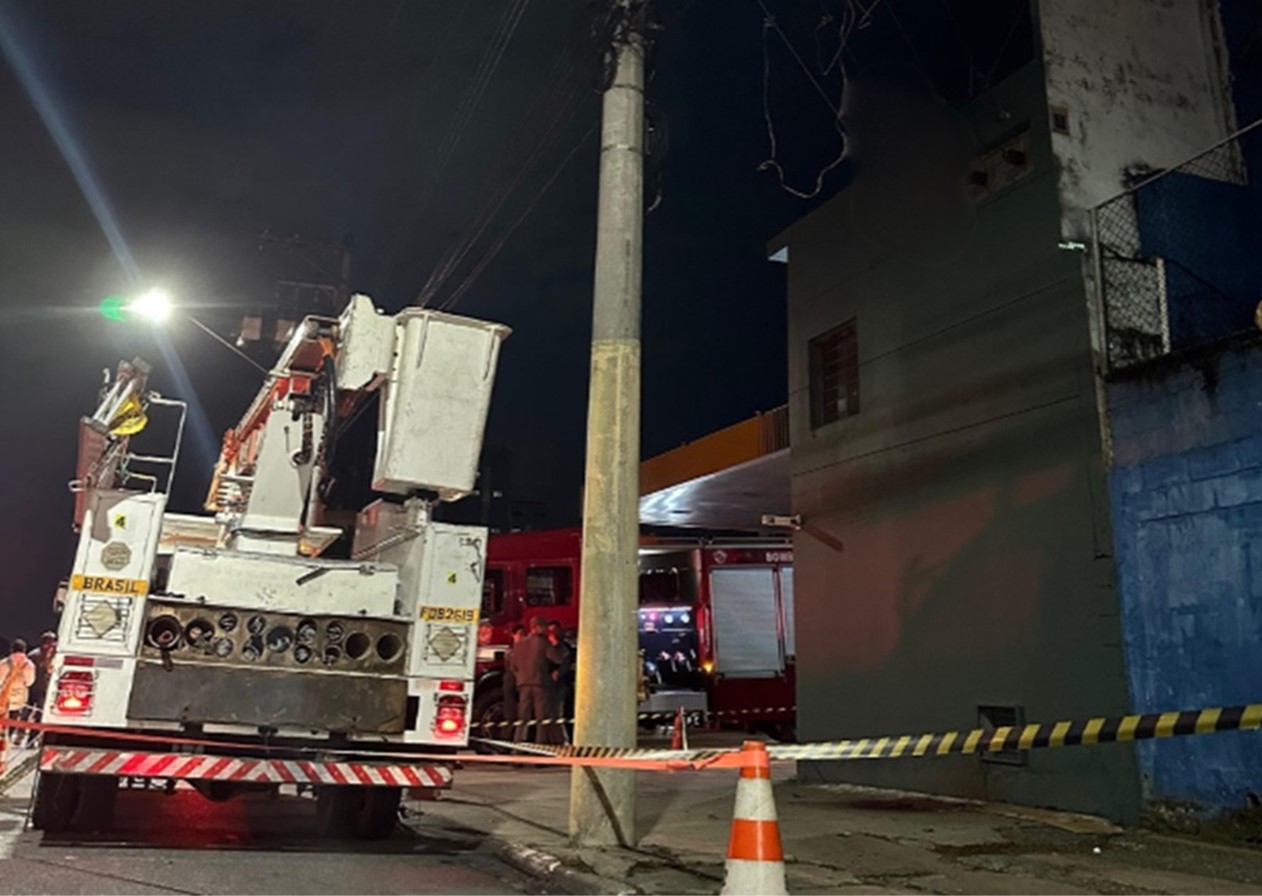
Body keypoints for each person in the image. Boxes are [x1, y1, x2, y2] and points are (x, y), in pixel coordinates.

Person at [509, 616, 567, 743]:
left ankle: (517, 749)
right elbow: (557, 658)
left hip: (523, 684)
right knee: (541, 719)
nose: (547, 630)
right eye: (545, 627)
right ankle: (539, 748)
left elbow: (513, 666)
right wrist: (556, 644)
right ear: (538, 627)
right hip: (540, 684)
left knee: (523, 719)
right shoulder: (543, 642)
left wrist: (521, 677)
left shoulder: (520, 644)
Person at [24, 632, 56, 746]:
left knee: (39, 715)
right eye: (48, 642)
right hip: (32, 688)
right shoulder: (34, 655)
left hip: (44, 690)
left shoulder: (54, 656)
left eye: (52, 642)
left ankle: (32, 739)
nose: (50, 645)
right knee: (26, 712)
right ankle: (18, 733)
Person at [544, 620, 573, 745]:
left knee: (559, 713)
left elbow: (564, 663)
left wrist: (559, 673)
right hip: (549, 686)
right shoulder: (546, 647)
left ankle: (564, 741)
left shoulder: (564, 648)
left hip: (561, 686)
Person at [0, 640, 36, 728]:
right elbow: (30, 682)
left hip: (4, 697)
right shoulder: (30, 665)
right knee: (14, 718)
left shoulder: (4, 663)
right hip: (19, 697)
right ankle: (9, 736)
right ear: (24, 650)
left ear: (11, 649)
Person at [499, 625, 526, 738]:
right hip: (511, 683)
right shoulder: (510, 652)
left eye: (524, 634)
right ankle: (506, 739)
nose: (522, 637)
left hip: (521, 684)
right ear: (513, 635)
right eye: (519, 634)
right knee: (510, 714)